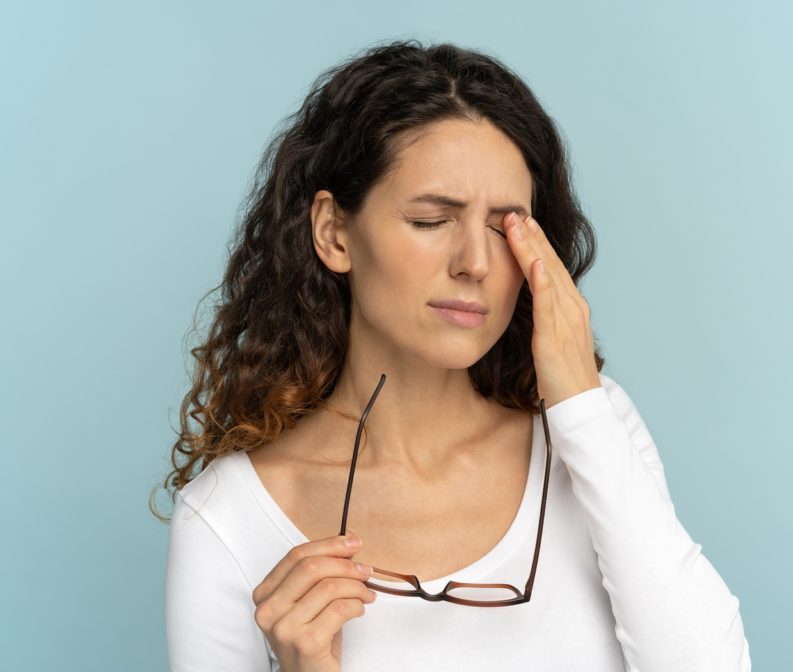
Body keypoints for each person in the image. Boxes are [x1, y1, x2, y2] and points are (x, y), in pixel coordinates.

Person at [156, 39, 751, 672]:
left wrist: (580, 401)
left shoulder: (596, 428)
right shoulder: (227, 521)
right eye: (431, 220)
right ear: (333, 232)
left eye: (505, 226)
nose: (475, 263)